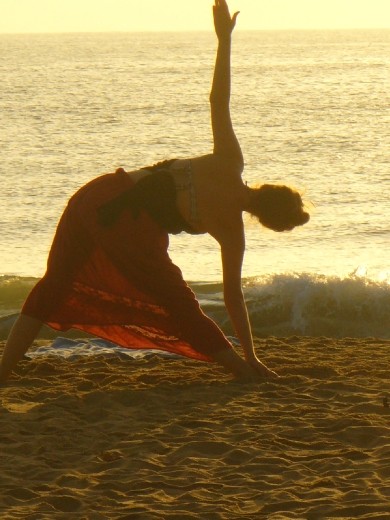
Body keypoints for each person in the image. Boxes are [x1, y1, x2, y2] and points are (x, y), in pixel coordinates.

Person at [0, 0, 309, 385]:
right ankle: (243, 371)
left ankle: (3, 371)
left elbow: (218, 101)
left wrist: (224, 41)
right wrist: (252, 354)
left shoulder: (231, 161)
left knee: (54, 284)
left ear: (271, 188)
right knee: (180, 304)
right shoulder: (232, 230)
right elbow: (233, 298)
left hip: (97, 194)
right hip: (129, 226)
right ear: (269, 220)